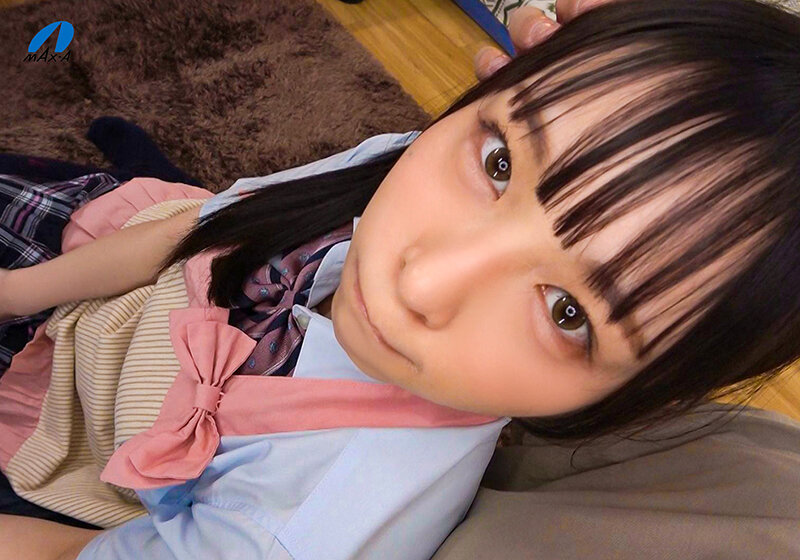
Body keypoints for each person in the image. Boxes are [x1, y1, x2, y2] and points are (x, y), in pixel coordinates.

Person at [1, 0, 800, 558]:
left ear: (636, 397)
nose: (420, 282)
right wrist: (15, 295)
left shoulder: (298, 526)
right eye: (499, 163)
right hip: (107, 257)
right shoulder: (402, 161)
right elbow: (206, 228)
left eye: (568, 313)